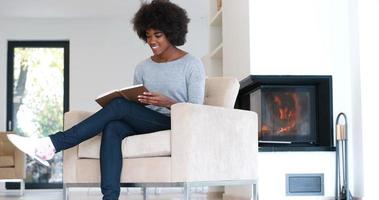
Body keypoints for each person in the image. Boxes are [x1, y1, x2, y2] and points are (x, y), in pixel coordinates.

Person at [7, 0, 205, 199]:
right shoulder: (143, 67)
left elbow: (196, 110)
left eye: (158, 35)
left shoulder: (191, 64)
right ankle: (109, 197)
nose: (152, 41)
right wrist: (136, 101)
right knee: (113, 127)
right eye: (148, 36)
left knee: (119, 106)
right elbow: (137, 103)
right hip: (145, 121)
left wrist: (167, 102)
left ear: (172, 32)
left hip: (173, 123)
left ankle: (52, 144)